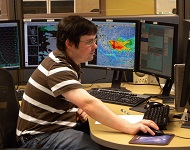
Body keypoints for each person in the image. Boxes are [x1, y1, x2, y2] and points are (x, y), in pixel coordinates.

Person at [16, 15, 159, 150]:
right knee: (95, 146)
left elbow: (70, 100)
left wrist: (74, 108)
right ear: (70, 44)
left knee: (106, 135)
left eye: (95, 40)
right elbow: (89, 104)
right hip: (37, 138)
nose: (95, 46)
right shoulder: (57, 68)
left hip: (52, 127)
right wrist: (129, 126)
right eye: (89, 42)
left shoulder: (67, 60)